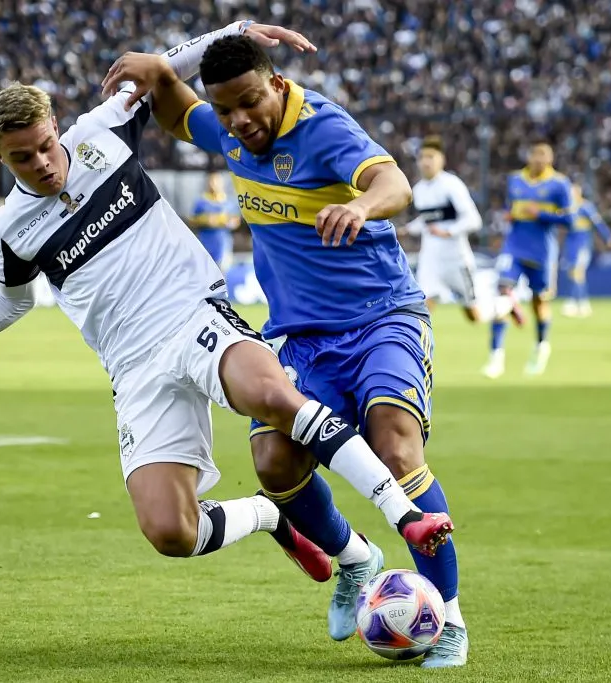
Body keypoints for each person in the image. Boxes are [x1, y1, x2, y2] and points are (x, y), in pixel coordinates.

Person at [0, 22, 451, 595]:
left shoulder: (98, 134)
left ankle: (406, 517)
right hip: (132, 367)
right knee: (171, 532)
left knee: (274, 398)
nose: (44, 165)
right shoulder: (8, 229)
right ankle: (293, 526)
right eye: (22, 158)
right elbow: (11, 300)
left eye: (46, 147)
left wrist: (237, 31)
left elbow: (158, 71)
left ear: (57, 128)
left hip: (191, 313)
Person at [101, 36, 464, 666]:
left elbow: (394, 182)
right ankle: (356, 562)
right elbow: (172, 107)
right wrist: (161, 67)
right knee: (273, 462)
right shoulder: (228, 128)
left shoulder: (322, 129)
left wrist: (360, 205)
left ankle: (449, 618)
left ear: (276, 85)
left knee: (396, 444)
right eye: (227, 110)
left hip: (382, 317)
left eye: (249, 103)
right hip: (298, 334)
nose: (240, 121)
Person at [483, 140, 573, 379]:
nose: (540, 159)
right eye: (536, 154)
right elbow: (509, 207)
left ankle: (541, 347)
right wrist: (509, 214)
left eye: (545, 155)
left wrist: (541, 214)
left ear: (551, 159)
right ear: (529, 156)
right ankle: (495, 357)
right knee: (501, 294)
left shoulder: (559, 184)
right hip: (513, 247)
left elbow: (569, 220)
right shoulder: (514, 180)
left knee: (539, 302)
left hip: (542, 252)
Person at [405, 135, 484, 322]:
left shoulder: (452, 185)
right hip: (430, 259)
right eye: (422, 157)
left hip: (456, 259)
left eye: (430, 157)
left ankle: (503, 307)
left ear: (442, 159)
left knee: (474, 316)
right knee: (422, 308)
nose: (425, 162)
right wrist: (406, 229)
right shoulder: (418, 189)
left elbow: (474, 220)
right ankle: (419, 349)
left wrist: (448, 232)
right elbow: (426, 221)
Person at [561, 183, 611, 318]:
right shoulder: (567, 208)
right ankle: (580, 303)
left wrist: (608, 237)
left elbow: (598, 223)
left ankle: (576, 302)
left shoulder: (585, 207)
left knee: (577, 273)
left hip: (582, 245)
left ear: (579, 193)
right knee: (573, 274)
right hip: (570, 245)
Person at [189, 171, 241, 272]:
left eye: (216, 181)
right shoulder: (201, 202)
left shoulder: (228, 203)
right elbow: (192, 221)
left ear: (221, 183)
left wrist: (223, 221)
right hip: (205, 245)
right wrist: (205, 220)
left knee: (223, 277)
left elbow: (236, 221)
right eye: (211, 181)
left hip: (224, 245)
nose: (213, 184)